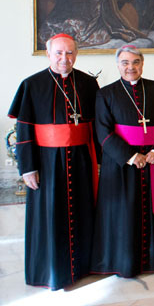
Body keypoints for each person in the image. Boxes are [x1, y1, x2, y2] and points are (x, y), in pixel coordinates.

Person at [7, 34, 100, 290]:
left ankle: (83, 267)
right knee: (51, 215)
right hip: (46, 163)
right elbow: (24, 131)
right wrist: (27, 167)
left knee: (83, 211)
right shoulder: (32, 84)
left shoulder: (88, 84)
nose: (64, 59)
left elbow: (98, 126)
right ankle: (50, 271)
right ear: (48, 54)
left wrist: (101, 162)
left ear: (76, 54)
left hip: (81, 159)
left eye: (69, 53)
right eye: (59, 53)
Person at [91, 45, 154, 277]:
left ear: (142, 63)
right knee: (123, 211)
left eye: (135, 62)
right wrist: (129, 156)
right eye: (125, 63)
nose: (130, 67)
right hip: (120, 165)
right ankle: (124, 260)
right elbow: (103, 132)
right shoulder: (106, 93)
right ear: (118, 65)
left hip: (153, 159)